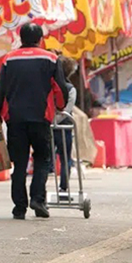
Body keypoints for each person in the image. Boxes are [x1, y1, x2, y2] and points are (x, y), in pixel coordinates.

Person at [0, 23, 69, 220]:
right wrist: (60, 106)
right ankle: (38, 199)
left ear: (21, 37)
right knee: (43, 159)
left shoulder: (9, 59)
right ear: (40, 38)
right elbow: (60, 89)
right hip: (41, 118)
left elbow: (0, 90)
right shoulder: (51, 58)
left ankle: (19, 207)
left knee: (19, 163)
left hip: (15, 119)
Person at [53, 55, 78, 197]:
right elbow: (68, 108)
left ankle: (41, 190)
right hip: (65, 126)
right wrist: (58, 118)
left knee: (46, 158)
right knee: (65, 158)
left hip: (50, 124)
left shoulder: (49, 86)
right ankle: (63, 187)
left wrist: (51, 119)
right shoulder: (70, 89)